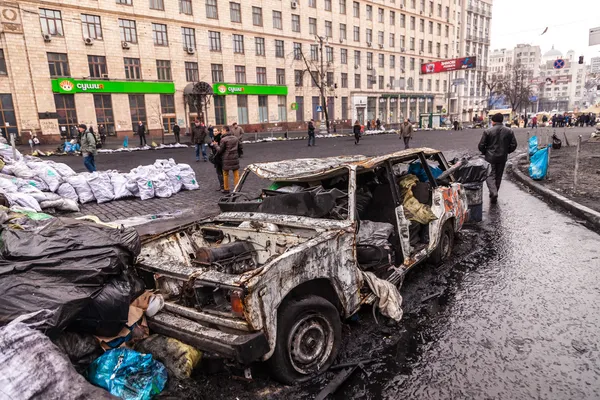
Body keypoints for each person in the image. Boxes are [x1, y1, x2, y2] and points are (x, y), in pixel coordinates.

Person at [478, 113, 517, 204]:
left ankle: (493, 192)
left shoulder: (488, 131)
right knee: (498, 176)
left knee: (490, 175)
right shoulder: (509, 131)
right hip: (502, 157)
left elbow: (481, 145)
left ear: (493, 121)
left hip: (490, 157)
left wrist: (485, 152)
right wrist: (507, 151)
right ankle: (494, 194)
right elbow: (514, 145)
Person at [215, 129, 240, 194]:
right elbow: (240, 147)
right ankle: (237, 188)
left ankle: (226, 189)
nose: (221, 132)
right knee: (236, 174)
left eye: (222, 130)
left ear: (225, 130)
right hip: (235, 158)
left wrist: (215, 145)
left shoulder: (223, 139)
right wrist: (238, 154)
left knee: (225, 174)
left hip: (226, 158)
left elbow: (220, 150)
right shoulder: (235, 138)